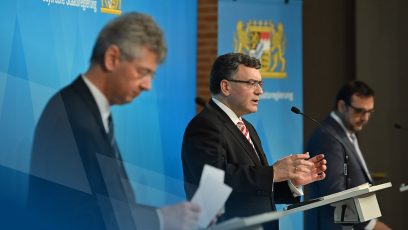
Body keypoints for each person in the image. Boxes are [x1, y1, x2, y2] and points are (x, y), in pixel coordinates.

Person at [28, 12, 200, 230]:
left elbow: (107, 202)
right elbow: (68, 215)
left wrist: (172, 216)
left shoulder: (91, 109)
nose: (148, 85)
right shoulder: (71, 117)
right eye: (142, 72)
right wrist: (160, 219)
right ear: (112, 58)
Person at [181, 52, 327, 230]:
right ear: (226, 87)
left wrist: (291, 182)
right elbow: (214, 181)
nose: (260, 91)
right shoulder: (204, 125)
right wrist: (273, 172)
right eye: (251, 83)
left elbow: (256, 191)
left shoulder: (247, 127)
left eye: (260, 83)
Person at [305, 81, 391, 230]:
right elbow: (335, 192)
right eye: (359, 111)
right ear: (342, 106)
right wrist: (370, 225)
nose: (365, 118)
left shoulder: (345, 131)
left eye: (369, 112)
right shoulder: (328, 137)